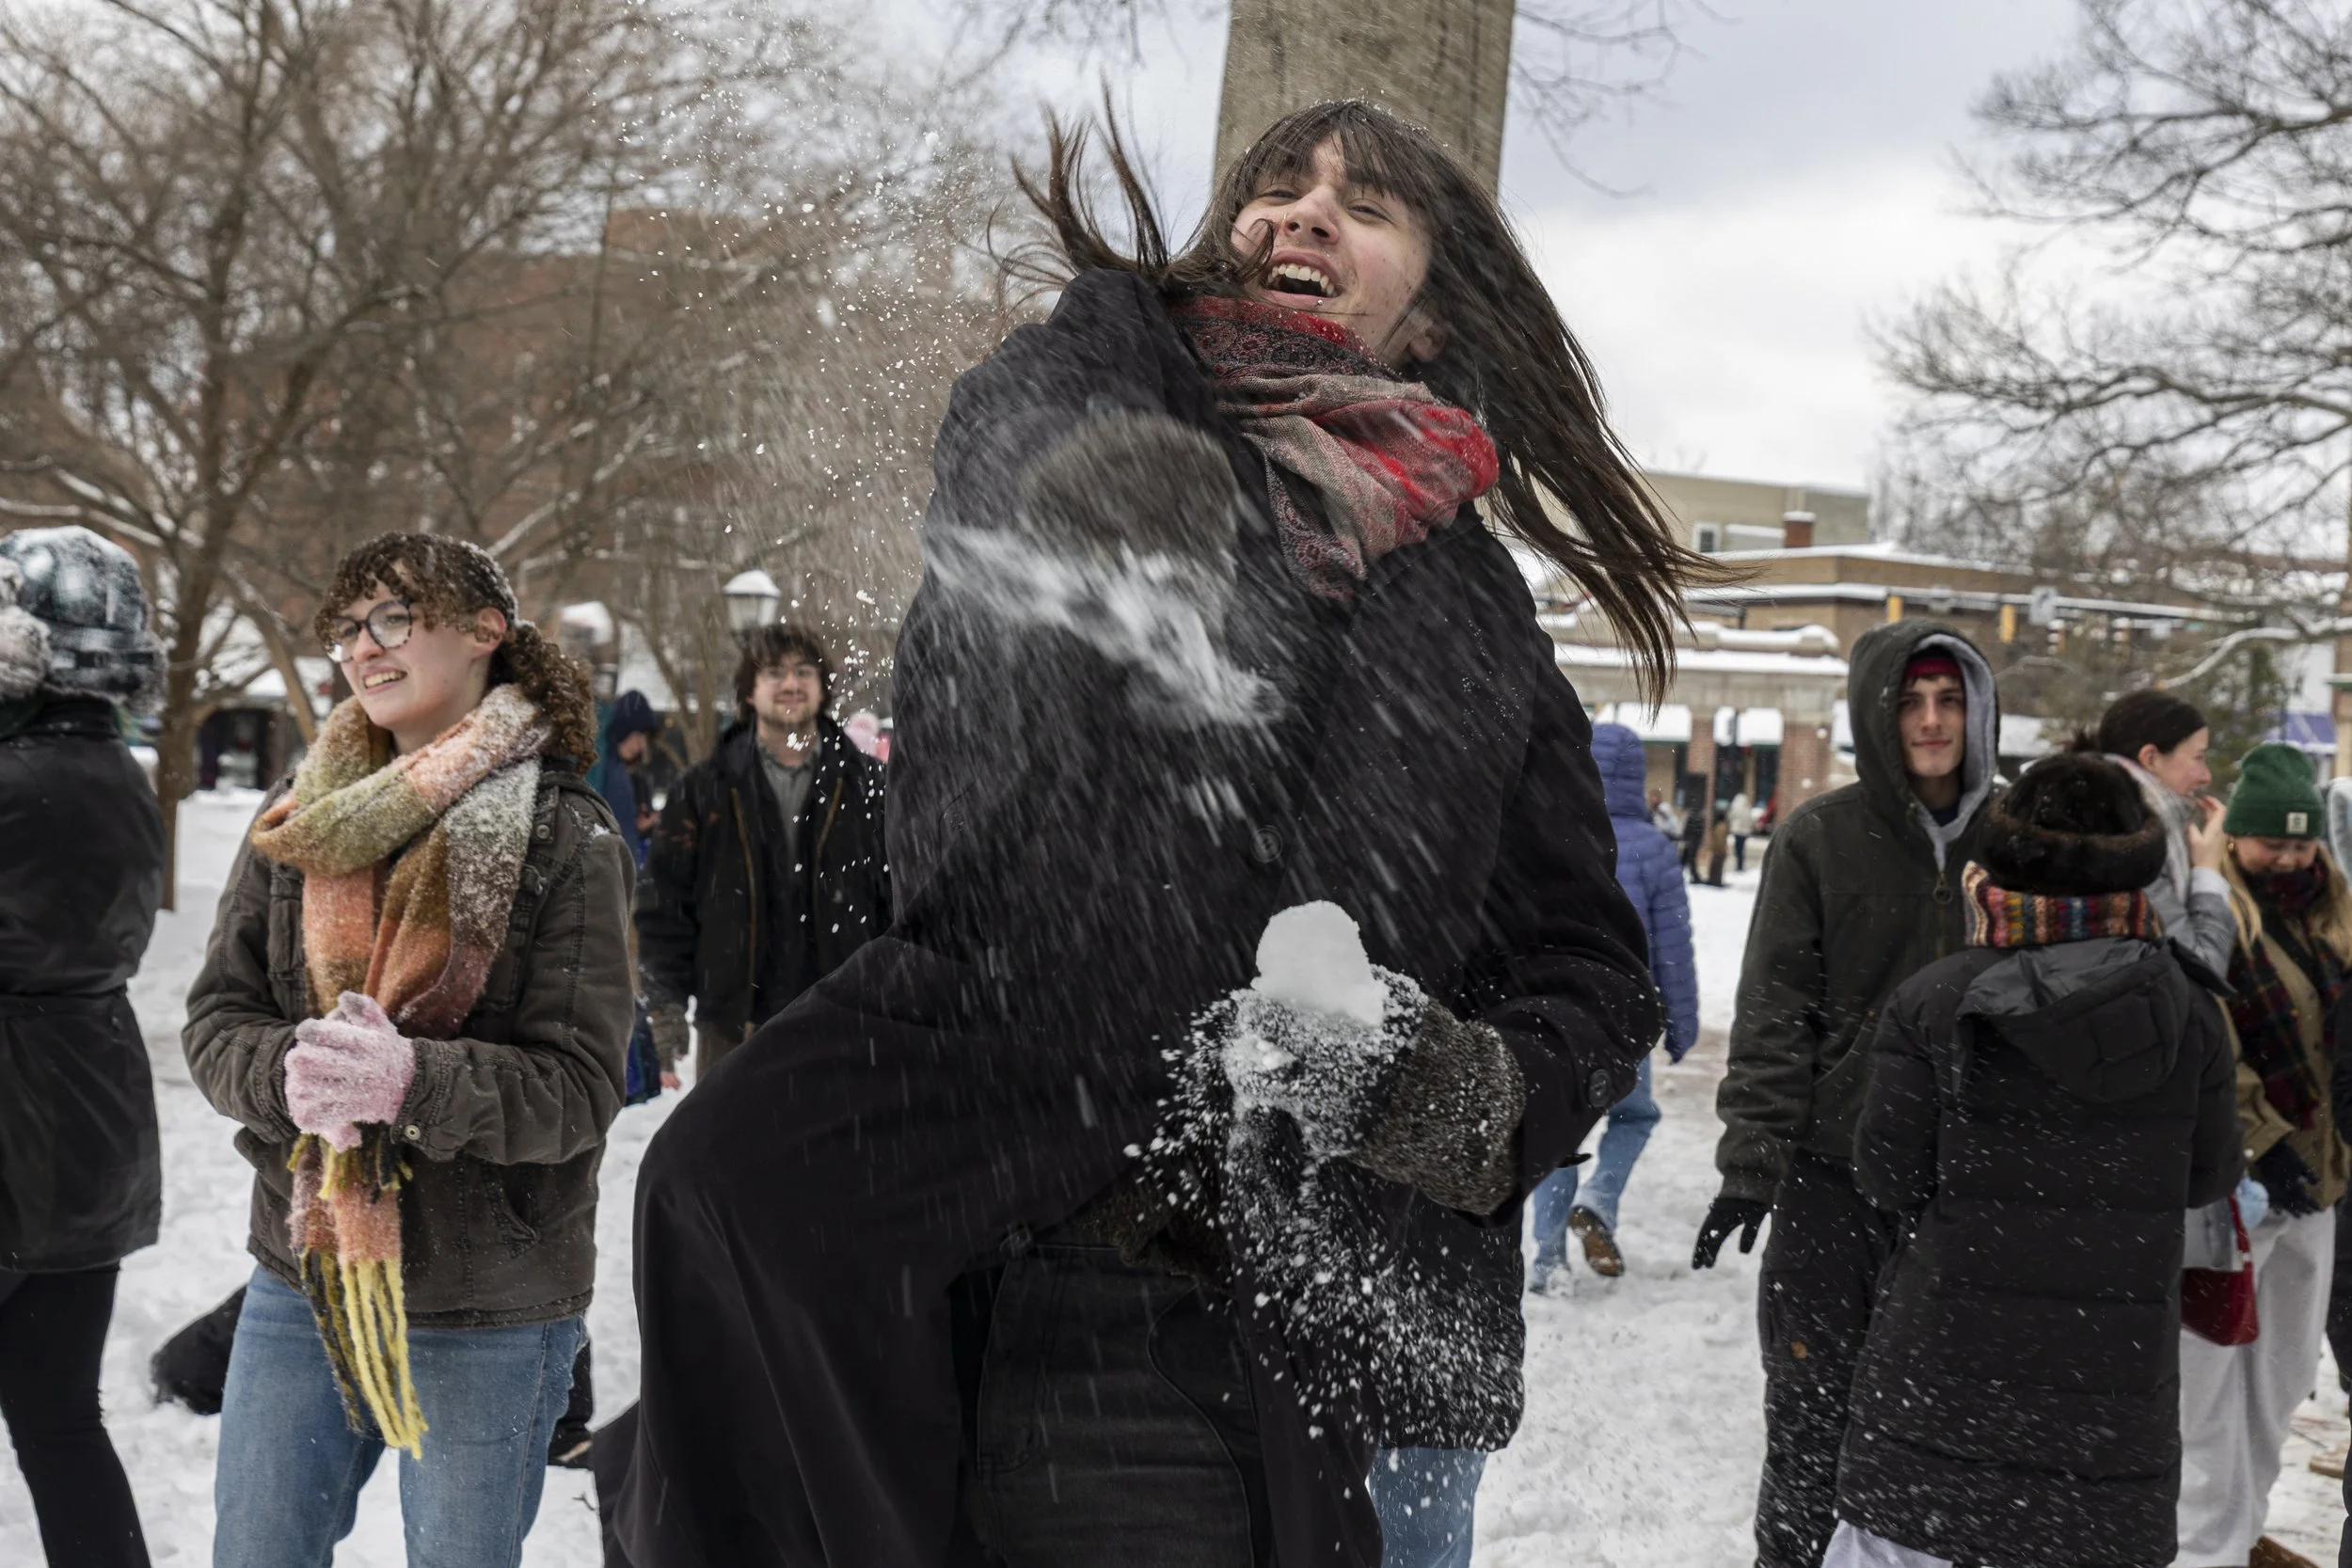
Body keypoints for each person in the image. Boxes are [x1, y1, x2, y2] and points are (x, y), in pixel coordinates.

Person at [614, 100, 1693, 1568]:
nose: (1305, 214)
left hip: (1263, 1312)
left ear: (1433, 319)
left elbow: (1586, 961)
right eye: (1276, 188)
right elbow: (964, 760)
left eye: (1365, 205)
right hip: (978, 1242)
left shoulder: (1476, 616)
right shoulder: (1094, 398)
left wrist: (1467, 1094)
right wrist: (1108, 527)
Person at [183, 532, 634, 1568]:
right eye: (347, 627)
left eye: (393, 617)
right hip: (306, 1273)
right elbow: (218, 1019)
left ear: (485, 631)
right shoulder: (299, 818)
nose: (362, 647)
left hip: (493, 1298)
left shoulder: (569, 837)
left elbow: (577, 1089)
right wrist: (286, 1075)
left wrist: (410, 1081)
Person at [1823, 753, 2239, 1568]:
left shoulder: (1934, 998)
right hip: (2108, 1417)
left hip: (1938, 1400)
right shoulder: (2190, 1011)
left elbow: (1886, 1174)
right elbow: (2209, 1176)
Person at [1697, 622, 2000, 1568]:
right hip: (1834, 1179)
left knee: (1948, 1428)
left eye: (1949, 699)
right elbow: (1775, 1011)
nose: (1930, 719)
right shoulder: (1819, 838)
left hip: (1969, 1185)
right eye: (1910, 701)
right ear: (1878, 712)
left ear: (1977, 709)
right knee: (1811, 1415)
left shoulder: (2019, 839)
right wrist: (1751, 1164)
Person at [0, 527, 166, 1568]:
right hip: (89, 1122)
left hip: (12, 1118)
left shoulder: (16, 776)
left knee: (60, 1425)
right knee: (60, 1423)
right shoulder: (118, 771)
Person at [2174, 743, 2351, 1568]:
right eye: (2270, 841)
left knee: (2278, 1387)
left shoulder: (2333, 918)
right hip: (2235, 1193)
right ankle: (2205, 1549)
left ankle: (2239, 1536)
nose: (2287, 856)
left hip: (2321, 1188)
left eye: (2301, 841)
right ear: (2238, 837)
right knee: (2209, 1395)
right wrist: (2264, 1142)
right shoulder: (2217, 915)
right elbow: (2213, 1043)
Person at [634, 625, 889, 1085]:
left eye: (804, 672)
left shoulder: (870, 785)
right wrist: (665, 1007)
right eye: (774, 672)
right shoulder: (703, 789)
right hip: (732, 1027)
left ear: (823, 687)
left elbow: (898, 899)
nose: (791, 684)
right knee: (730, 1157)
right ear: (749, 691)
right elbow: (664, 907)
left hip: (846, 1025)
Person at [1529, 721, 1699, 1285]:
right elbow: (1672, 945)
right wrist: (1681, 1025)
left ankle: (1548, 1259)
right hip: (1630, 1014)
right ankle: (1600, 1200)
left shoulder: (1554, 835)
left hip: (1558, 1010)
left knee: (1560, 1130)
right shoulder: (1655, 849)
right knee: (1634, 1114)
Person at [2088, 689, 2233, 974]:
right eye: (2198, 757)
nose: (2207, 776)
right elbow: (2202, 968)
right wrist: (2208, 872)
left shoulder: (2102, 819)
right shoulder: (2129, 840)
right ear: (2151, 758)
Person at [589, 689, 662, 867]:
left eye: (645, 739)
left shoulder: (634, 777)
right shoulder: (601, 766)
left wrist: (642, 827)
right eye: (637, 735)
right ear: (623, 729)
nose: (641, 745)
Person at [1728, 789, 1756, 873]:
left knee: (1738, 849)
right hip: (1745, 833)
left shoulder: (1735, 807)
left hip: (1737, 831)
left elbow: (1730, 817)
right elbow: (1751, 820)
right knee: (1742, 849)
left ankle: (1738, 865)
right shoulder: (1748, 808)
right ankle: (1741, 865)